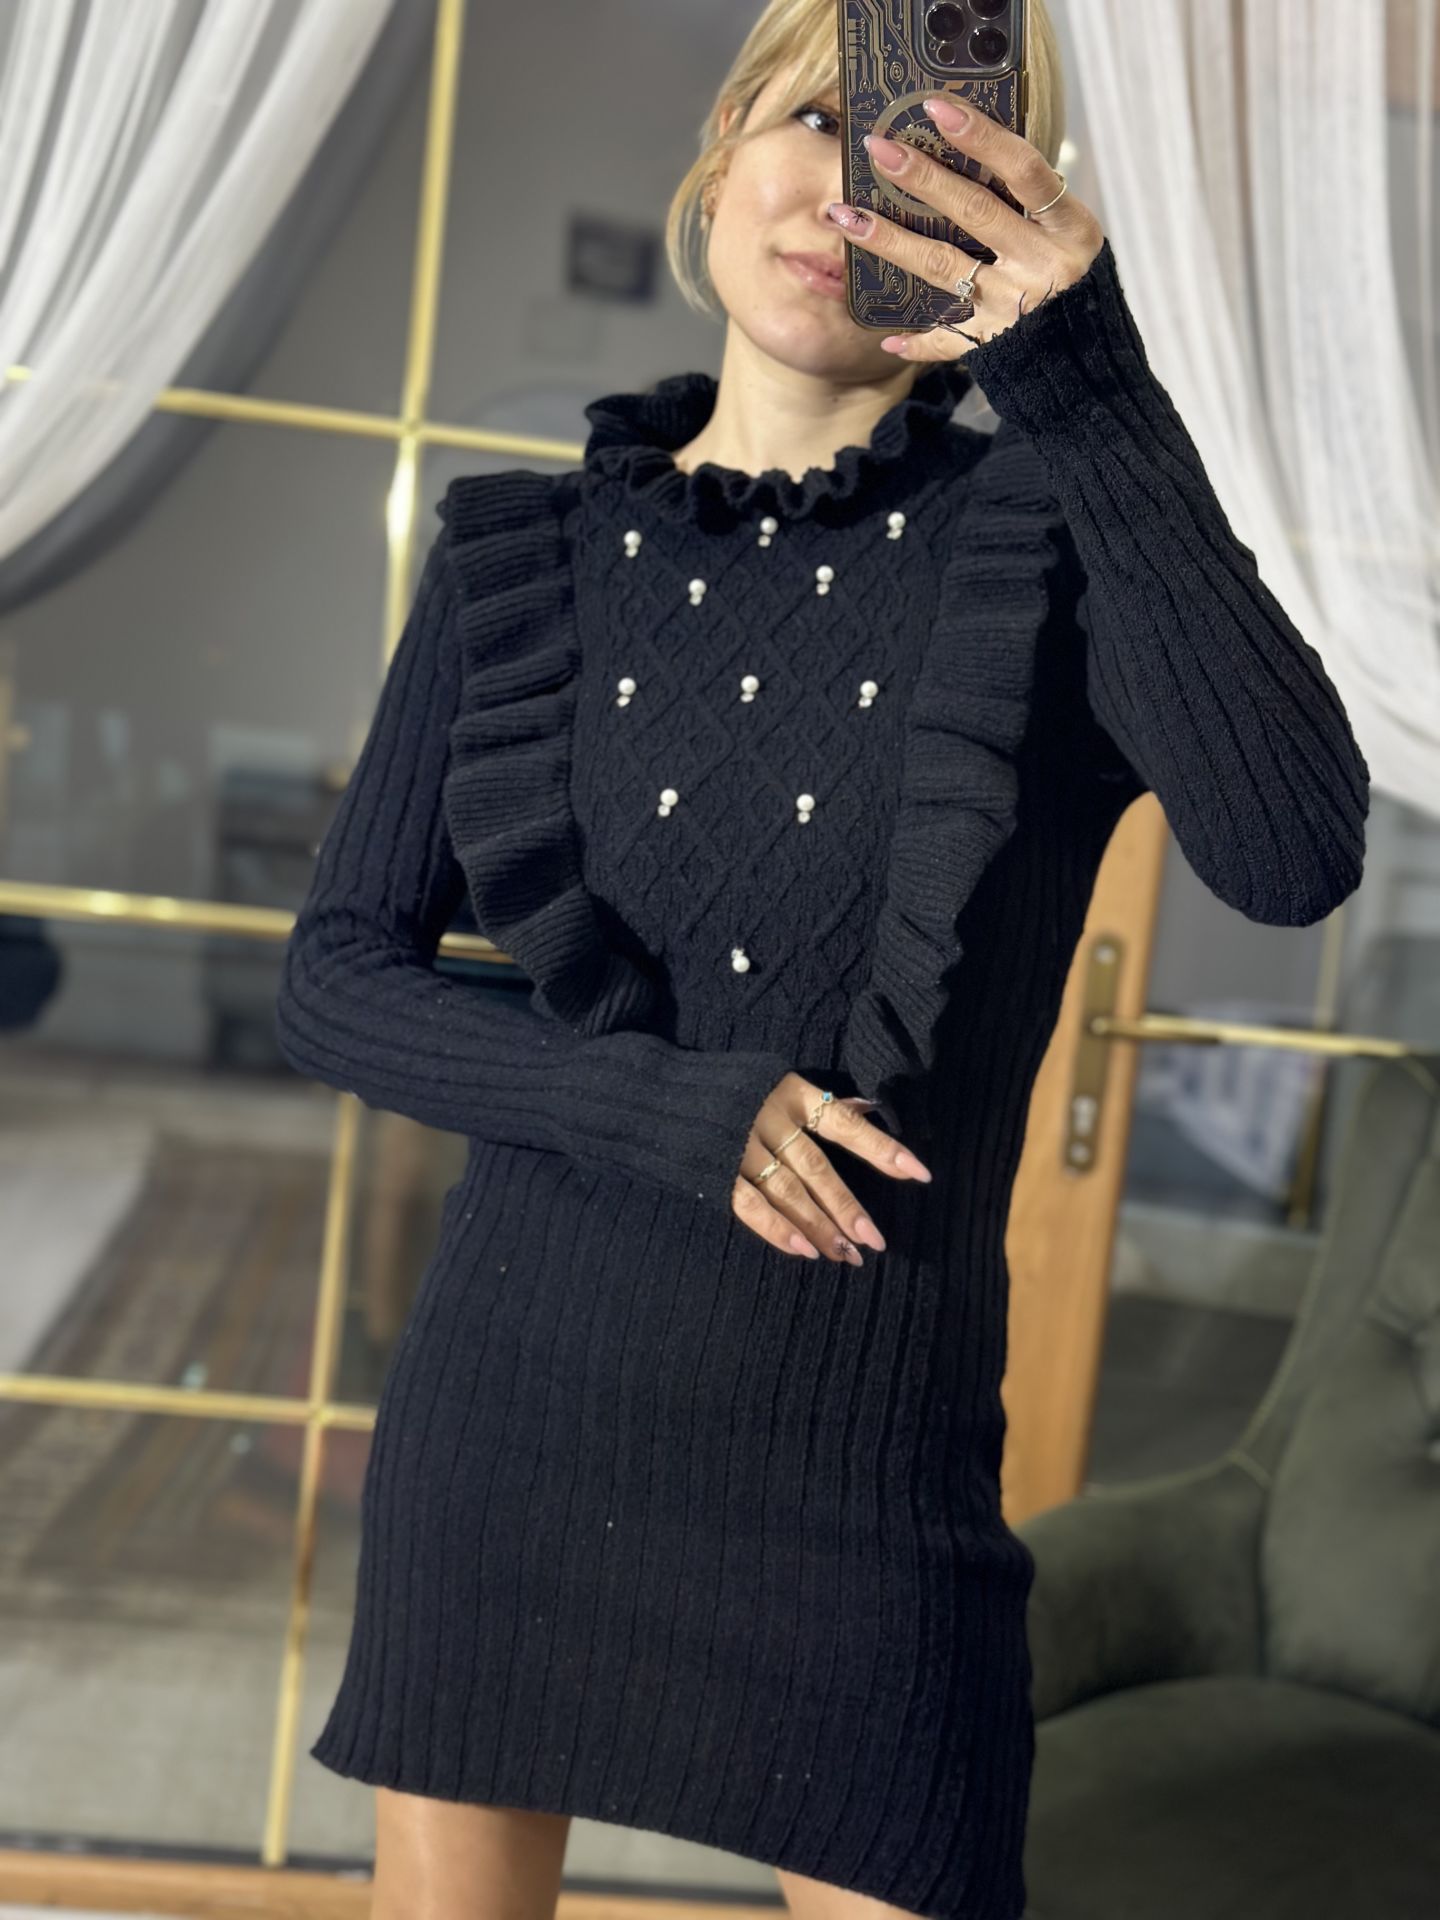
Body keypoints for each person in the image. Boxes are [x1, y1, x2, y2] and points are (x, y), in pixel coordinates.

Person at [274, 2, 1370, 1915]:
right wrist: (664, 1107)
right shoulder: (521, 556)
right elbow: (335, 976)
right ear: (722, 148)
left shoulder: (1046, 548)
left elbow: (1294, 855)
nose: (847, 194)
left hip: (863, 1478)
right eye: (813, 124)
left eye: (930, 165)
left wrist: (1084, 376)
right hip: (514, 1431)